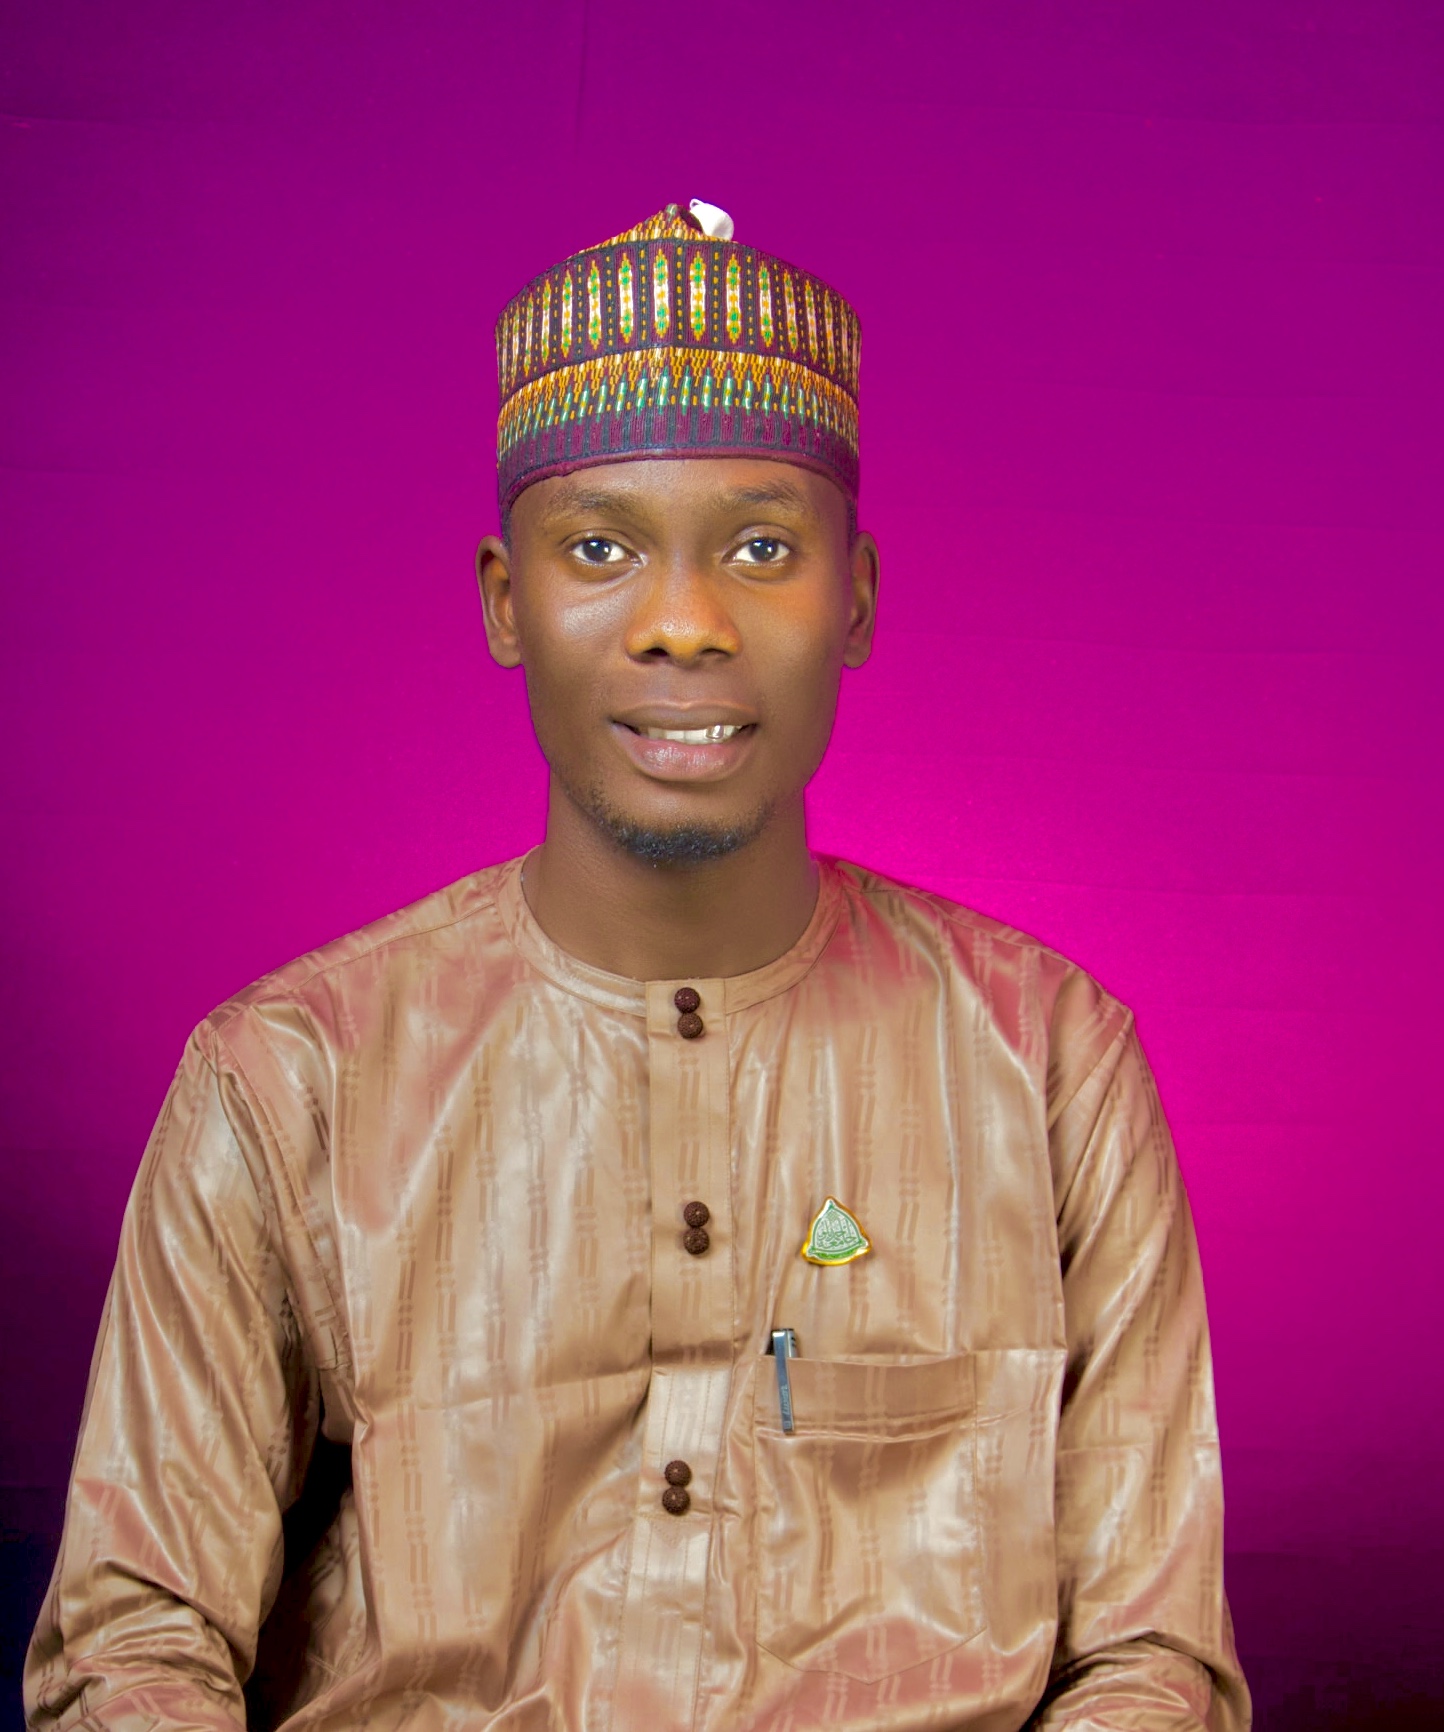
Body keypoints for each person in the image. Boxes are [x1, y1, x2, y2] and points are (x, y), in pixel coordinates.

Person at [26, 200, 1250, 1730]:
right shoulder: (289, 1080)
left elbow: (1149, 1660)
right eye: (599, 548)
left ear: (857, 599)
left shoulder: (1049, 1062)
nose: (682, 623)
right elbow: (135, 1648)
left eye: (761, 548)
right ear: (506, 601)